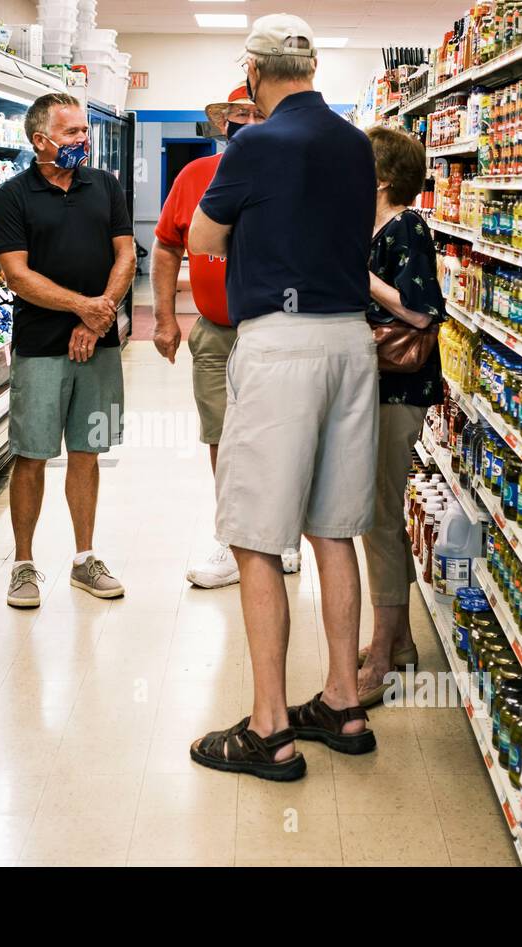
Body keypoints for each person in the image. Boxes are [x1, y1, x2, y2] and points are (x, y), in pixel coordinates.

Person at [186, 14, 380, 781]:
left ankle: (270, 729)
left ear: (257, 73)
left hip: (283, 347)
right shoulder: (356, 141)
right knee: (334, 528)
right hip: (349, 342)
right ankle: (342, 701)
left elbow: (202, 239)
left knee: (258, 535)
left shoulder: (254, 143)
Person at [152, 85, 303, 589]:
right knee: (222, 437)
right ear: (224, 125)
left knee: (280, 433)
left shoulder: (295, 175)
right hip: (217, 331)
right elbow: (168, 247)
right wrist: (166, 317)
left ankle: (282, 535)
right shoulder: (196, 176)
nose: (248, 124)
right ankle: (232, 535)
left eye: (259, 115)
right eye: (240, 116)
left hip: (280, 327)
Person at [0, 93, 137, 609]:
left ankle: (84, 558)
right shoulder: (13, 196)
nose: (83, 140)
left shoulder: (106, 186)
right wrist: (84, 308)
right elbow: (17, 274)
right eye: (72, 133)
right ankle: (24, 565)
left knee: (87, 451)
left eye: (83, 131)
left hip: (97, 344)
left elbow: (126, 253)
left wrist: (97, 322)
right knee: (30, 455)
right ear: (41, 141)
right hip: (40, 346)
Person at [356, 127, 445, 706]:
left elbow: (419, 311)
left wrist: (356, 274)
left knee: (381, 517)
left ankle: (383, 653)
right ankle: (403, 641)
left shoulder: (407, 225)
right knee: (377, 514)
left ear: (385, 177)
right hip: (373, 386)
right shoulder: (371, 226)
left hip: (398, 388)